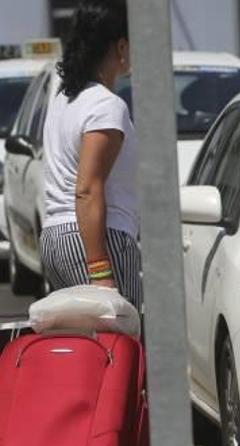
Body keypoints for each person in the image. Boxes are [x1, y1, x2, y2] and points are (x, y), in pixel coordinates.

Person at [40, 0, 142, 308]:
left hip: (55, 238)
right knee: (120, 346)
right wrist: (99, 269)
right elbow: (87, 189)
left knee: (88, 348)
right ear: (120, 47)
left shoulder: (64, 100)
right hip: (96, 241)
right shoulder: (106, 106)